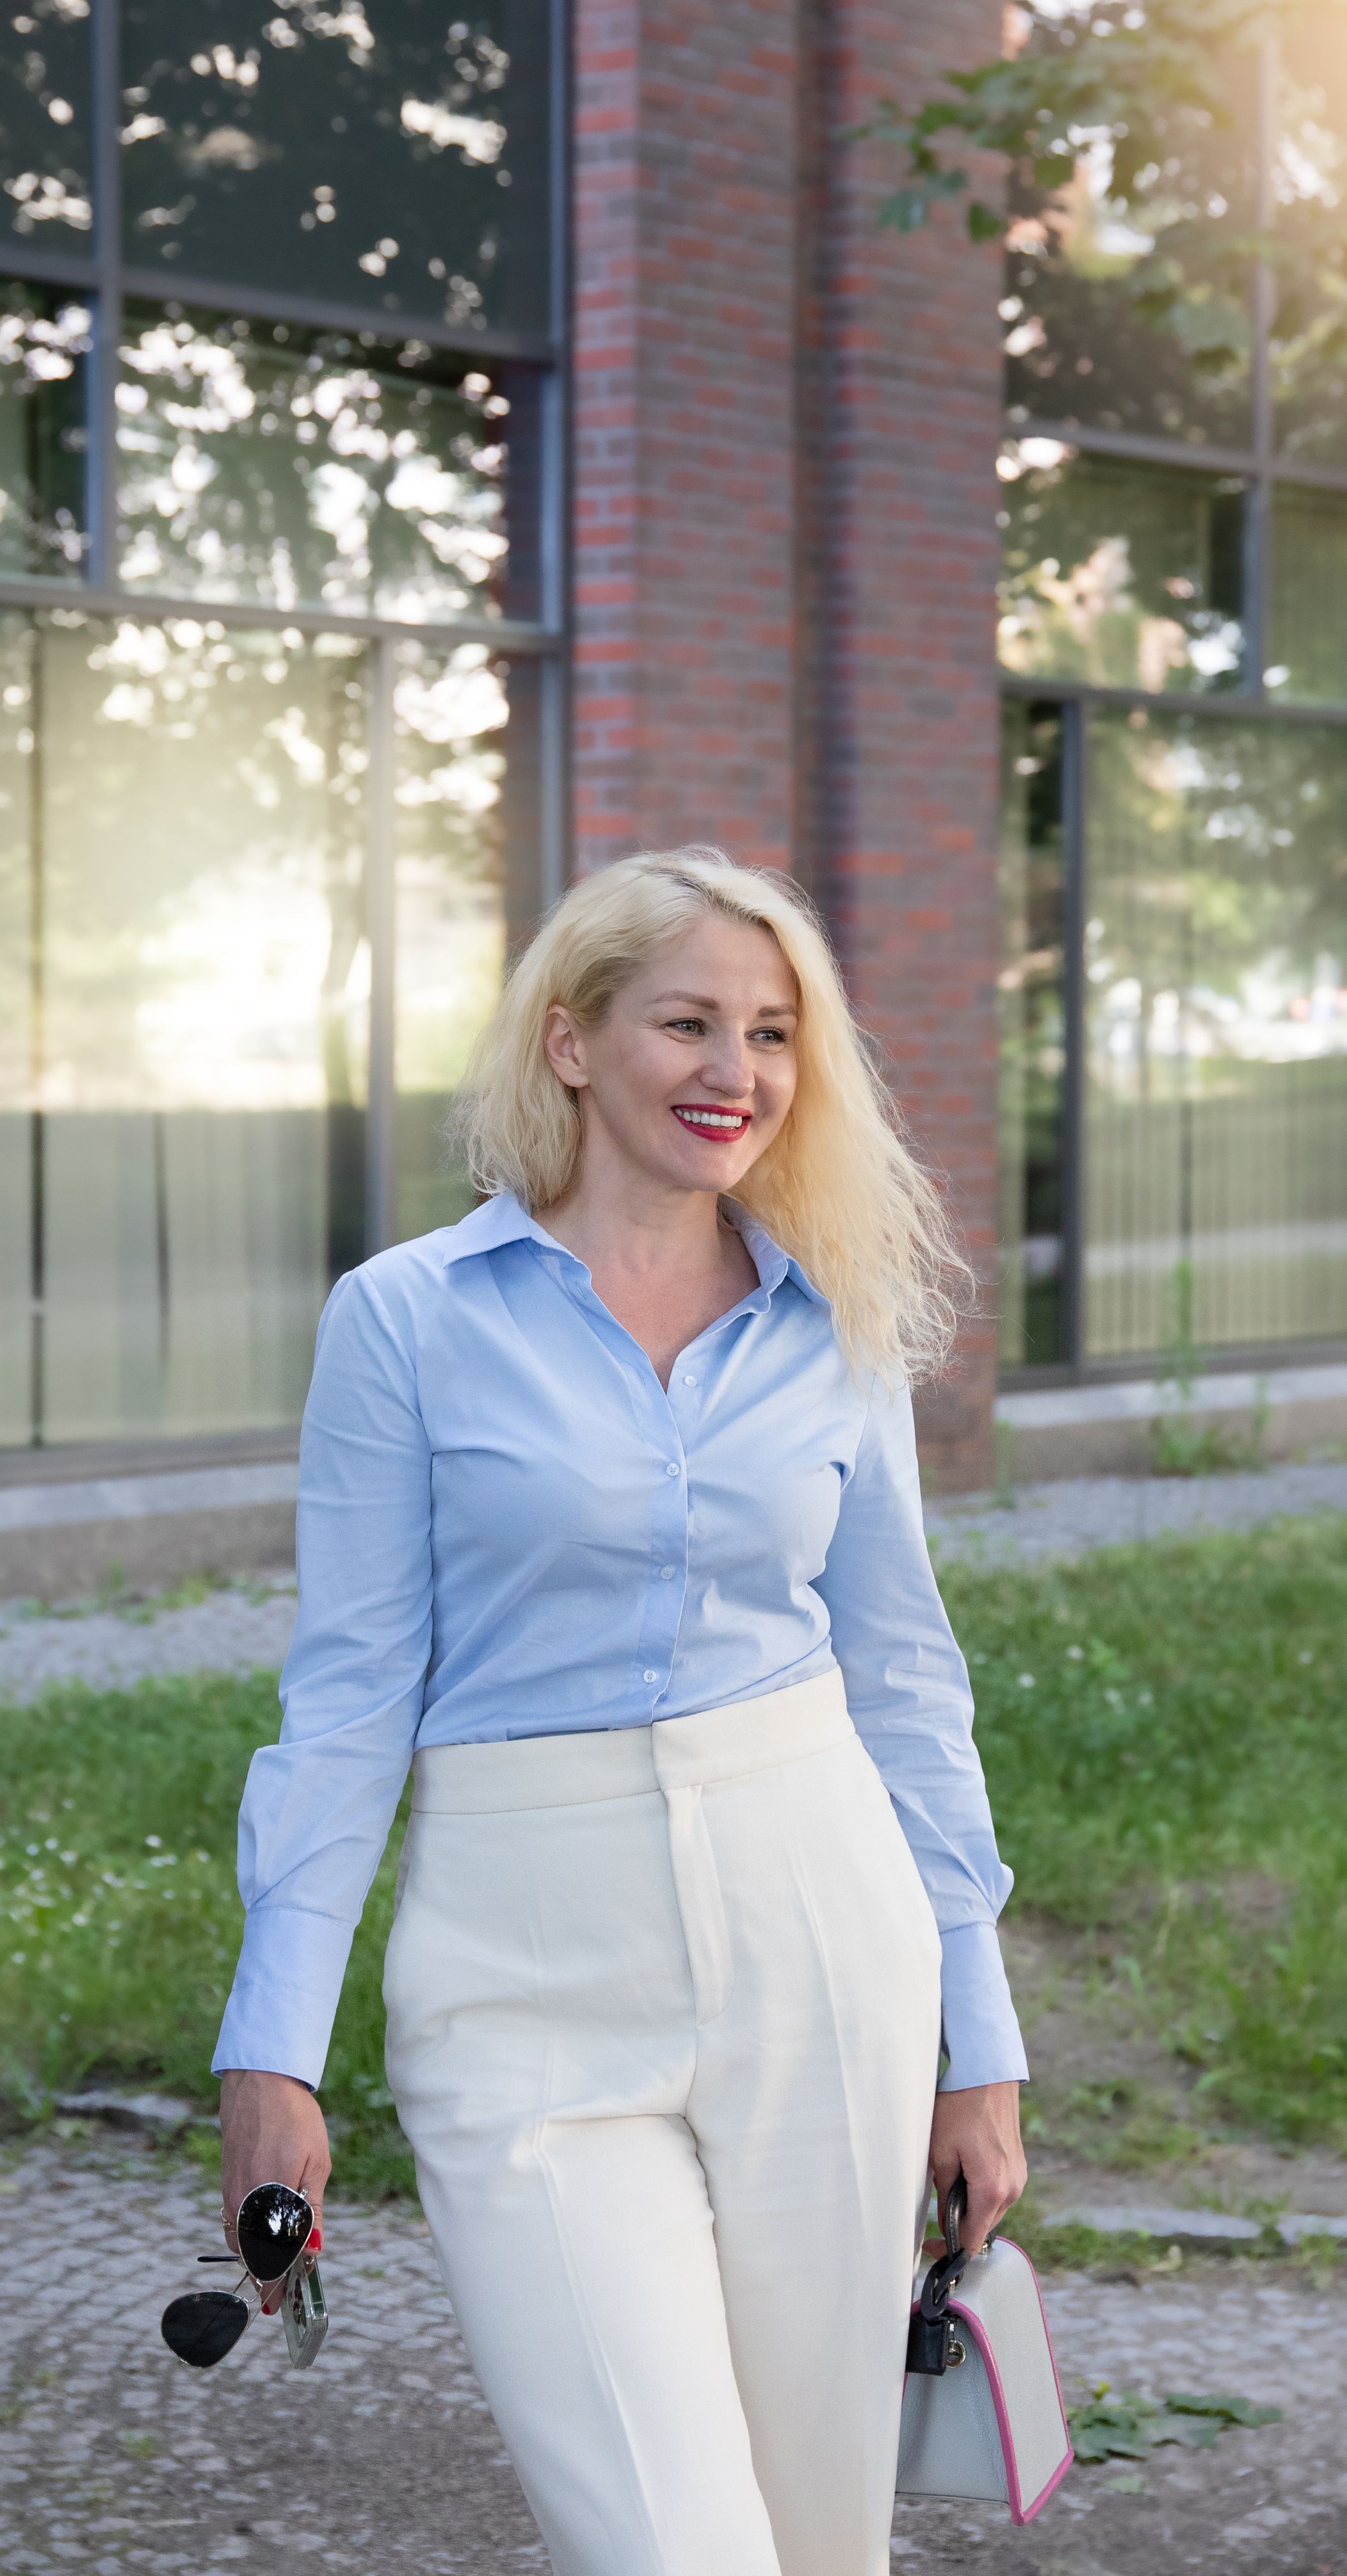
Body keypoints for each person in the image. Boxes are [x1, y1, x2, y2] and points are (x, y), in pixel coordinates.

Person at [213, 848, 1028, 2576]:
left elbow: (903, 1677)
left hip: (821, 1928)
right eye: (687, 1023)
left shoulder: (836, 1321)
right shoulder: (406, 1322)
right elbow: (347, 1699)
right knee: (670, 2544)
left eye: (773, 1033)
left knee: (821, 2538)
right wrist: (269, 2050)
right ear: (572, 1043)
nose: (736, 1070)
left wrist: (984, 2042)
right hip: (522, 1975)